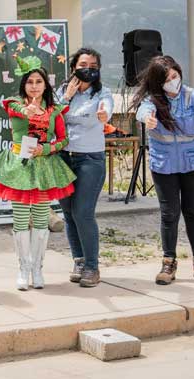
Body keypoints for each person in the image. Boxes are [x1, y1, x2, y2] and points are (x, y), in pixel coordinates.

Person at [0, 56, 76, 291]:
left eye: (39, 82)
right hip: (19, 166)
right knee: (21, 218)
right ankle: (23, 268)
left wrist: (45, 148)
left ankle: (37, 269)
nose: (34, 86)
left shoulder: (55, 111)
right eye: (30, 82)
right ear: (24, 85)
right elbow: (21, 111)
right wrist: (29, 110)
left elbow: (64, 139)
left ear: (46, 85)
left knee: (42, 220)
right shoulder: (14, 103)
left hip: (44, 166)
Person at [131, 55, 194, 285]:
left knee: (193, 211)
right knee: (169, 213)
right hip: (164, 164)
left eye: (174, 76)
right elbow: (141, 112)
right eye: (167, 79)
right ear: (158, 83)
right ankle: (169, 261)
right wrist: (148, 119)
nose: (173, 81)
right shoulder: (152, 101)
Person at [55, 48, 114, 288]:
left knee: (83, 212)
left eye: (92, 65)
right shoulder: (62, 91)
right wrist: (66, 97)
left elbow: (106, 109)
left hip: (90, 158)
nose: (87, 68)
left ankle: (92, 266)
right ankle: (78, 261)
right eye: (83, 63)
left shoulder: (103, 92)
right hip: (63, 157)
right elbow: (52, 117)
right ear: (73, 67)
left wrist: (104, 115)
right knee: (68, 213)